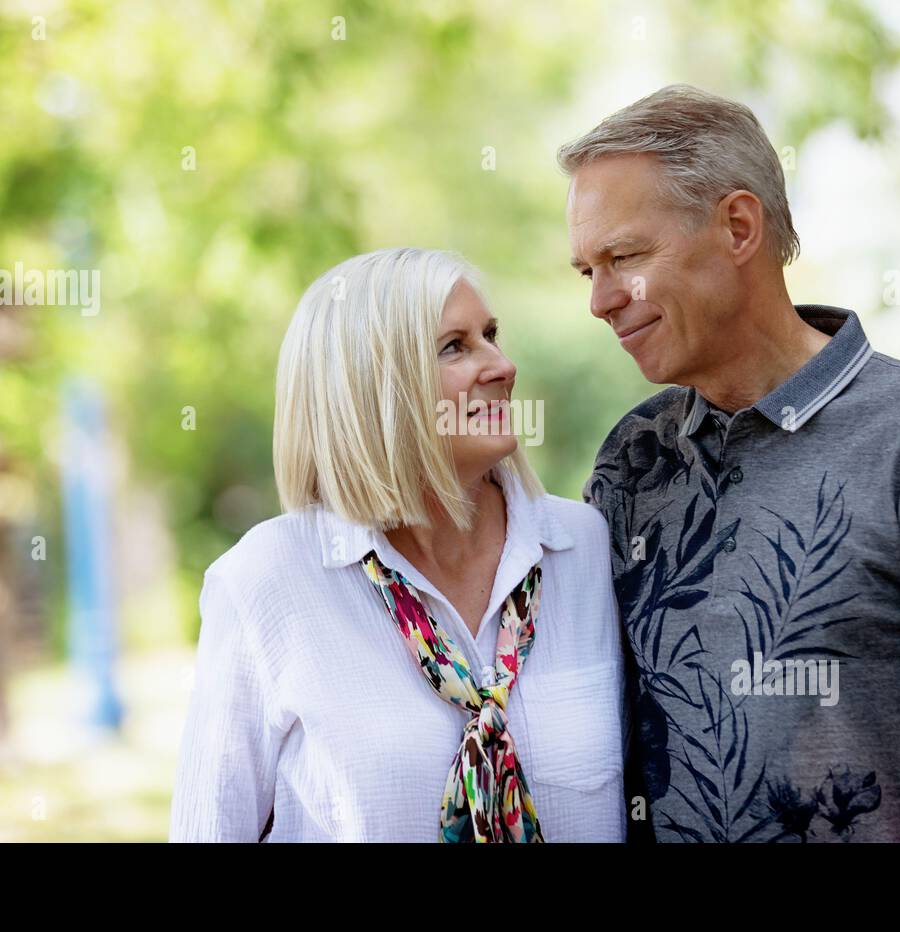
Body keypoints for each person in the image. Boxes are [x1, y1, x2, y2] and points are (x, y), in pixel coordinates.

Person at [559, 85, 900, 843]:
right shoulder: (631, 462)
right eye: (585, 271)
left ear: (738, 226)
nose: (601, 300)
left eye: (624, 257)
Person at [170, 247, 626, 842]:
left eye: (491, 335)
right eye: (455, 346)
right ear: (374, 387)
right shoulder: (266, 580)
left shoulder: (586, 548)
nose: (503, 365)